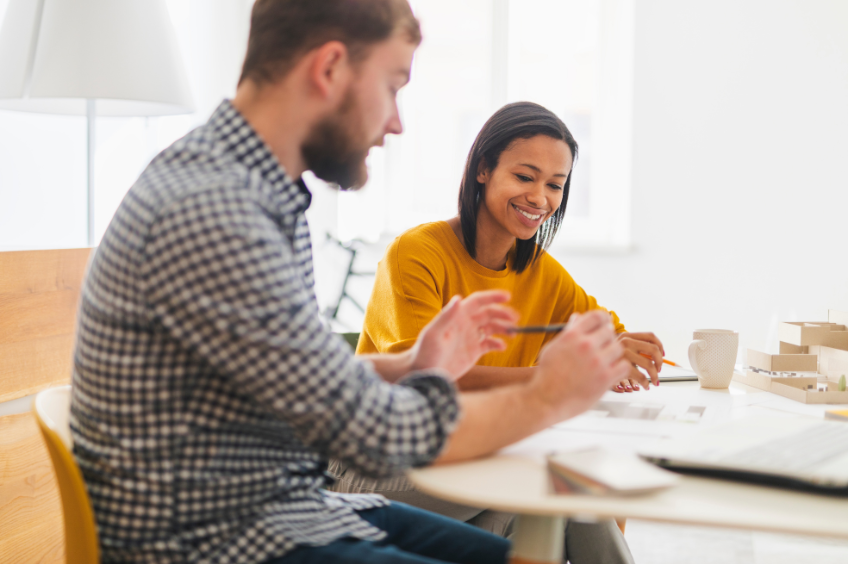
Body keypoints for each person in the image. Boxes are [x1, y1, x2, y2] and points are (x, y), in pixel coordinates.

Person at [69, 1, 630, 563]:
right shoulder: (218, 211)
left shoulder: (254, 192)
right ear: (330, 68)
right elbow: (381, 434)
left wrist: (412, 365)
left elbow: (300, 372)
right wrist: (550, 394)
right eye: (392, 86)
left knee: (531, 539)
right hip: (218, 540)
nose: (396, 121)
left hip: (284, 507)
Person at [330, 102, 666, 563]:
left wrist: (619, 349)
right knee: (562, 478)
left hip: (477, 460)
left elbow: (606, 333)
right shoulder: (417, 253)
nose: (540, 198)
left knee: (561, 499)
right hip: (378, 464)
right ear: (483, 169)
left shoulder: (542, 273)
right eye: (525, 177)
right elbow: (426, 380)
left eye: (555, 185)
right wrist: (548, 382)